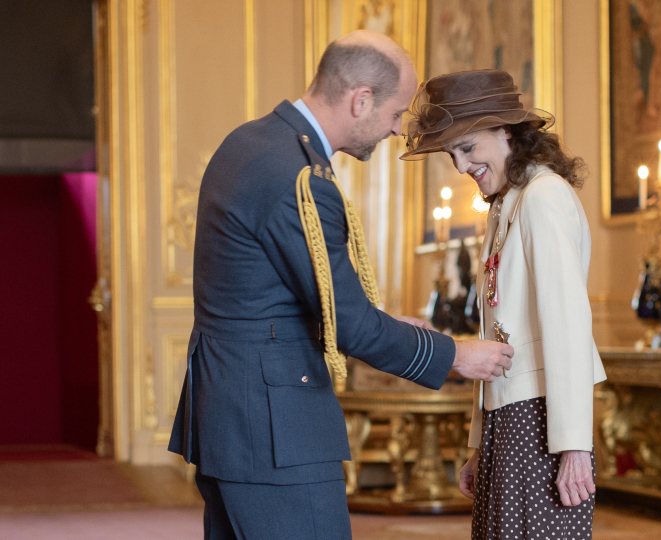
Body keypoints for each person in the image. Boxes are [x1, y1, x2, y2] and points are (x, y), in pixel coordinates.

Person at [167, 31, 514, 540]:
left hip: (233, 413)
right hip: (275, 428)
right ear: (360, 100)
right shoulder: (297, 175)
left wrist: (388, 323)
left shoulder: (251, 142)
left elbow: (279, 293)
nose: (398, 131)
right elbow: (349, 324)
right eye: (397, 115)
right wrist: (455, 355)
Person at [401, 69, 607, 539]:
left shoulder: (544, 196)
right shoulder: (504, 204)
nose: (459, 165)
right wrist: (480, 443)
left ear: (506, 130)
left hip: (543, 422)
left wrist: (574, 445)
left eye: (467, 148)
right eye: (451, 153)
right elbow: (497, 332)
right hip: (510, 421)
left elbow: (569, 326)